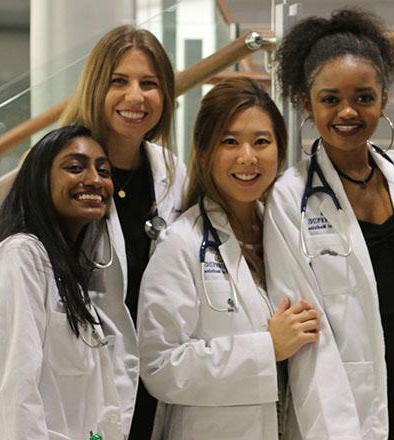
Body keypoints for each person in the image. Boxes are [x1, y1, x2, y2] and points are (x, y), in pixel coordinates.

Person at [264, 8, 394, 439]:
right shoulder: (290, 196)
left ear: (384, 98)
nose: (348, 111)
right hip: (345, 398)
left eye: (363, 97)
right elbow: (305, 331)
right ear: (306, 102)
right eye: (330, 99)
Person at [137, 77, 320, 439]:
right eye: (230, 142)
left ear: (280, 152)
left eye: (262, 142)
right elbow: (159, 366)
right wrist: (267, 348)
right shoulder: (181, 244)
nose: (248, 157)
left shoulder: (291, 235)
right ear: (204, 153)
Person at [60, 25, 187, 437]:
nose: (136, 97)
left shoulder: (171, 171)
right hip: (85, 374)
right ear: (97, 86)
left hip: (156, 374)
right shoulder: (62, 171)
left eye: (149, 84)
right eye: (120, 81)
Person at [0, 125, 123, 439]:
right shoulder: (20, 256)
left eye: (104, 170)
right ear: (39, 180)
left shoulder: (64, 266)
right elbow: (12, 395)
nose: (95, 180)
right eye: (75, 167)